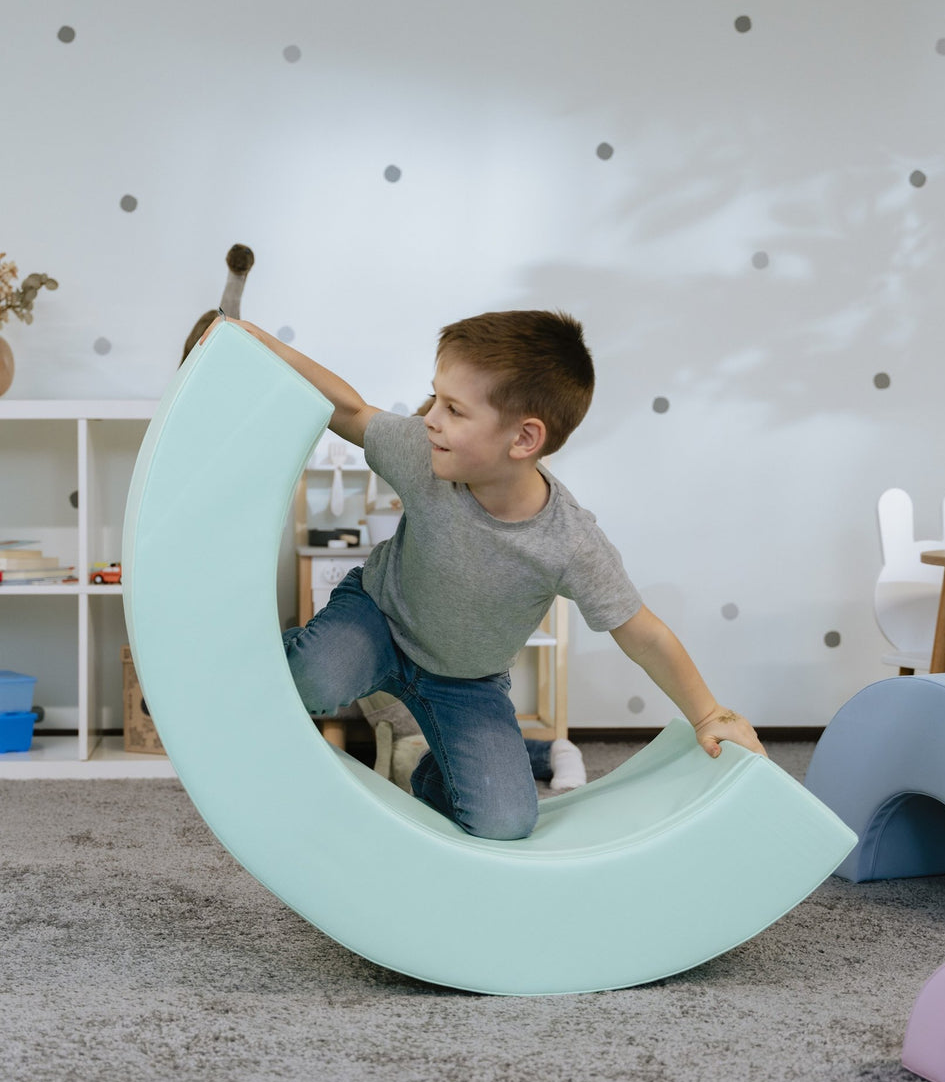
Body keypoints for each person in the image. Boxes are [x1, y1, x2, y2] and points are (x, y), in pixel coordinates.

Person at [207, 310, 765, 839]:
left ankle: (433, 775)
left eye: (453, 408)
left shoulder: (568, 542)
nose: (430, 418)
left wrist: (711, 715)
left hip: (465, 680)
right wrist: (263, 344)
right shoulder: (425, 453)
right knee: (313, 680)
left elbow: (642, 633)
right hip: (379, 619)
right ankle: (244, 659)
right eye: (435, 398)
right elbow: (351, 412)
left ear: (523, 439)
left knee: (505, 823)